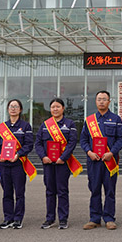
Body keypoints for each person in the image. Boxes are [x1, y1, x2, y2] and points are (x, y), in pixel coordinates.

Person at [80, 91, 122, 230]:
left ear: (109, 102)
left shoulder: (116, 119)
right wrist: (89, 152)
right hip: (93, 161)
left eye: (104, 99)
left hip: (110, 161)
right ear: (95, 101)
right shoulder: (89, 120)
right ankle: (94, 218)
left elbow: (120, 139)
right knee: (94, 189)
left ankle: (109, 218)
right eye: (99, 99)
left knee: (110, 190)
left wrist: (111, 152)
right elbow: (83, 139)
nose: (101, 101)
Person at [35, 98, 80, 230]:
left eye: (58, 107)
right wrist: (43, 157)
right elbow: (38, 143)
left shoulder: (70, 124)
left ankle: (63, 218)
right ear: (50, 109)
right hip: (48, 163)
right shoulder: (45, 125)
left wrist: (63, 157)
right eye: (53, 107)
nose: (55, 109)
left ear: (63, 108)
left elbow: (72, 142)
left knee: (62, 190)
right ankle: (50, 218)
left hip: (62, 163)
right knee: (50, 191)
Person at [0, 99, 35, 230]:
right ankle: (8, 218)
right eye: (11, 106)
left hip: (18, 164)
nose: (13, 108)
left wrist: (18, 154)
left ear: (20, 109)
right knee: (6, 192)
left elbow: (29, 144)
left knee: (19, 192)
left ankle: (18, 219)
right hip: (4, 164)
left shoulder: (25, 126)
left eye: (16, 106)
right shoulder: (1, 128)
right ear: (8, 109)